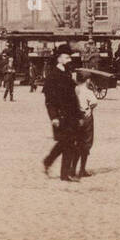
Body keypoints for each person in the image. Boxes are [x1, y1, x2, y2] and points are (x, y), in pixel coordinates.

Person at [41, 53, 81, 182]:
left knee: (66, 143)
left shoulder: (68, 74)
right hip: (60, 115)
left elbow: (74, 99)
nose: (69, 60)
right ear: (59, 59)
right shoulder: (52, 76)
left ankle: (50, 163)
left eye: (70, 58)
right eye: (66, 58)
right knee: (67, 142)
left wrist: (79, 115)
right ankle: (63, 173)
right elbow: (49, 100)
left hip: (72, 115)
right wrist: (54, 117)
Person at [74, 67, 99, 177]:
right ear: (87, 80)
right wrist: (90, 109)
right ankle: (82, 169)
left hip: (76, 117)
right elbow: (94, 102)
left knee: (77, 142)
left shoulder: (74, 89)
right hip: (86, 117)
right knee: (86, 142)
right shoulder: (88, 91)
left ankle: (72, 168)